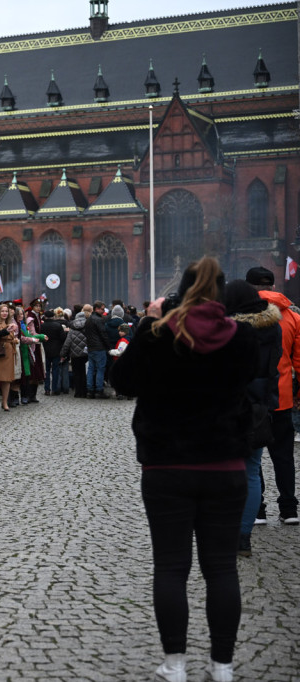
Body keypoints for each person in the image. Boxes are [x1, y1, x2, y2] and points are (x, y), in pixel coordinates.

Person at [111, 257, 255, 682]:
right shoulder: (241, 337)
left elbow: (124, 381)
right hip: (225, 463)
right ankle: (222, 666)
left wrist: (150, 323)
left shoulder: (159, 334)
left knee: (171, 567)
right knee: (222, 568)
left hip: (167, 465)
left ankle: (175, 664)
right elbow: (249, 376)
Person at [223, 279, 281, 558]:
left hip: (230, 406)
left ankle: (226, 530)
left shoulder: (231, 329)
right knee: (252, 471)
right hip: (260, 405)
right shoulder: (274, 327)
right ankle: (243, 537)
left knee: (224, 469)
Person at [245, 266, 300, 526]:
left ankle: (258, 510)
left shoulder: (240, 316)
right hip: (283, 397)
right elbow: (299, 362)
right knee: (283, 455)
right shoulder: (293, 317)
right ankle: (289, 509)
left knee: (253, 455)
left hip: (252, 398)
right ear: (274, 286)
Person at [0, 304, 19, 411]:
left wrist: (14, 340)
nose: (5, 313)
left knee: (7, 379)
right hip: (0, 352)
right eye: (2, 311)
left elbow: (10, 337)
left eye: (6, 311)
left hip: (9, 352)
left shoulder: (8, 323)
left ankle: (5, 402)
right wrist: (8, 330)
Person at [84, 300, 111, 398]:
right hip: (99, 348)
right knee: (100, 369)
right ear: (97, 308)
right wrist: (108, 347)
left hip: (91, 347)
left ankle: (90, 390)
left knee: (91, 369)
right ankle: (99, 390)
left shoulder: (89, 319)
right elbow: (103, 334)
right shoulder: (98, 320)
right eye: (102, 309)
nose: (103, 311)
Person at [61, 312, 89, 398]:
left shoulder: (72, 329)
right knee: (84, 373)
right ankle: (84, 392)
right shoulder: (88, 327)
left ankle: (78, 392)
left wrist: (63, 353)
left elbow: (67, 343)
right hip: (86, 354)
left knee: (76, 373)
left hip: (74, 355)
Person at [41, 309, 68, 396]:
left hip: (45, 350)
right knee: (56, 370)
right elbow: (63, 338)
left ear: (45, 317)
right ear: (53, 317)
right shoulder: (58, 325)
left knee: (47, 370)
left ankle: (47, 389)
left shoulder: (42, 326)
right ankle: (55, 389)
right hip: (56, 350)